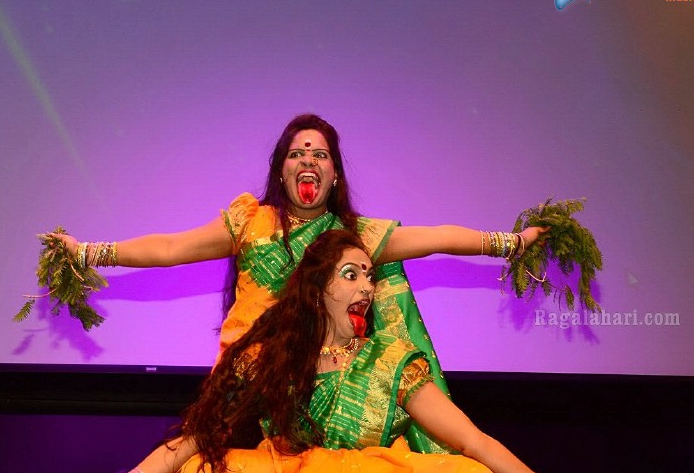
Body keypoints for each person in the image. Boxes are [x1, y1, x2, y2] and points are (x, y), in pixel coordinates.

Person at [63, 230, 616, 473]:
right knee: (202, 471)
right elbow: (190, 439)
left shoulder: (393, 361)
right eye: (351, 274)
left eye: (370, 276)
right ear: (318, 288)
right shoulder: (269, 360)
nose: (367, 287)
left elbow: (475, 441)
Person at [48, 114, 544, 454]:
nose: (308, 160)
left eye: (321, 154)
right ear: (281, 170)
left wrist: (510, 243)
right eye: (297, 152)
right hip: (247, 388)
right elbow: (172, 249)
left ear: (333, 175)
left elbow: (436, 238)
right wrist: (90, 252)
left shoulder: (352, 237)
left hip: (326, 395)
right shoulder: (250, 222)